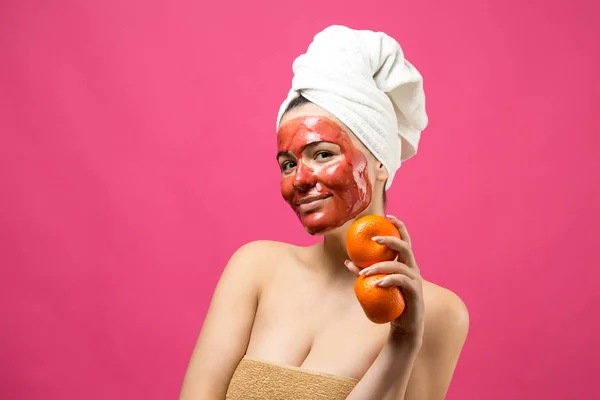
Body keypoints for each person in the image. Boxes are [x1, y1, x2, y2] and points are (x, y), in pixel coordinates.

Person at [179, 25, 469, 400]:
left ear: (380, 162)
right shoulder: (255, 269)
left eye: (323, 154)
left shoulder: (438, 313)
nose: (299, 179)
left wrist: (402, 342)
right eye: (287, 164)